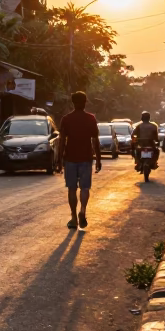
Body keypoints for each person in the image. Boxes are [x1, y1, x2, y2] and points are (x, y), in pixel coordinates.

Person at [58, 90, 101, 229]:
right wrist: (98, 159)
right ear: (85, 102)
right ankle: (82, 211)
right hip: (86, 158)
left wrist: (59, 161)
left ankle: (73, 217)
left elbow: (62, 141)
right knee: (85, 188)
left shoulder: (66, 119)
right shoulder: (91, 118)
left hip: (70, 158)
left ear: (73, 103)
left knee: (71, 189)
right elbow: (95, 140)